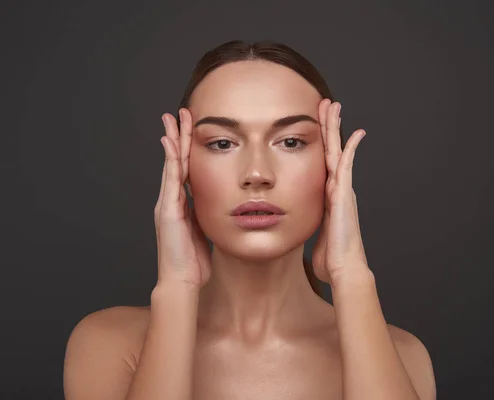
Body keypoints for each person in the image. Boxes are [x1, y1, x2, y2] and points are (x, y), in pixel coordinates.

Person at [63, 40, 436, 399]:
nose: (257, 173)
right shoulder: (110, 343)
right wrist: (177, 289)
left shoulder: (403, 355)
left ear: (331, 163)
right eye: (222, 143)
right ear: (183, 167)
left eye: (290, 142)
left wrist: (352, 278)